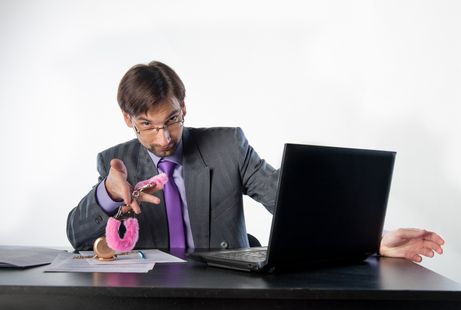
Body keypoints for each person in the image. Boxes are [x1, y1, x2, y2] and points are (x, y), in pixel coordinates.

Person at [67, 61, 445, 262]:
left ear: (185, 107)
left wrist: (372, 239)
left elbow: (290, 203)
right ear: (127, 119)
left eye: (172, 121)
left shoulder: (228, 145)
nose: (163, 138)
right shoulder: (115, 163)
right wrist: (108, 194)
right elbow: (76, 236)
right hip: (152, 302)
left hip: (228, 294)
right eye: (146, 126)